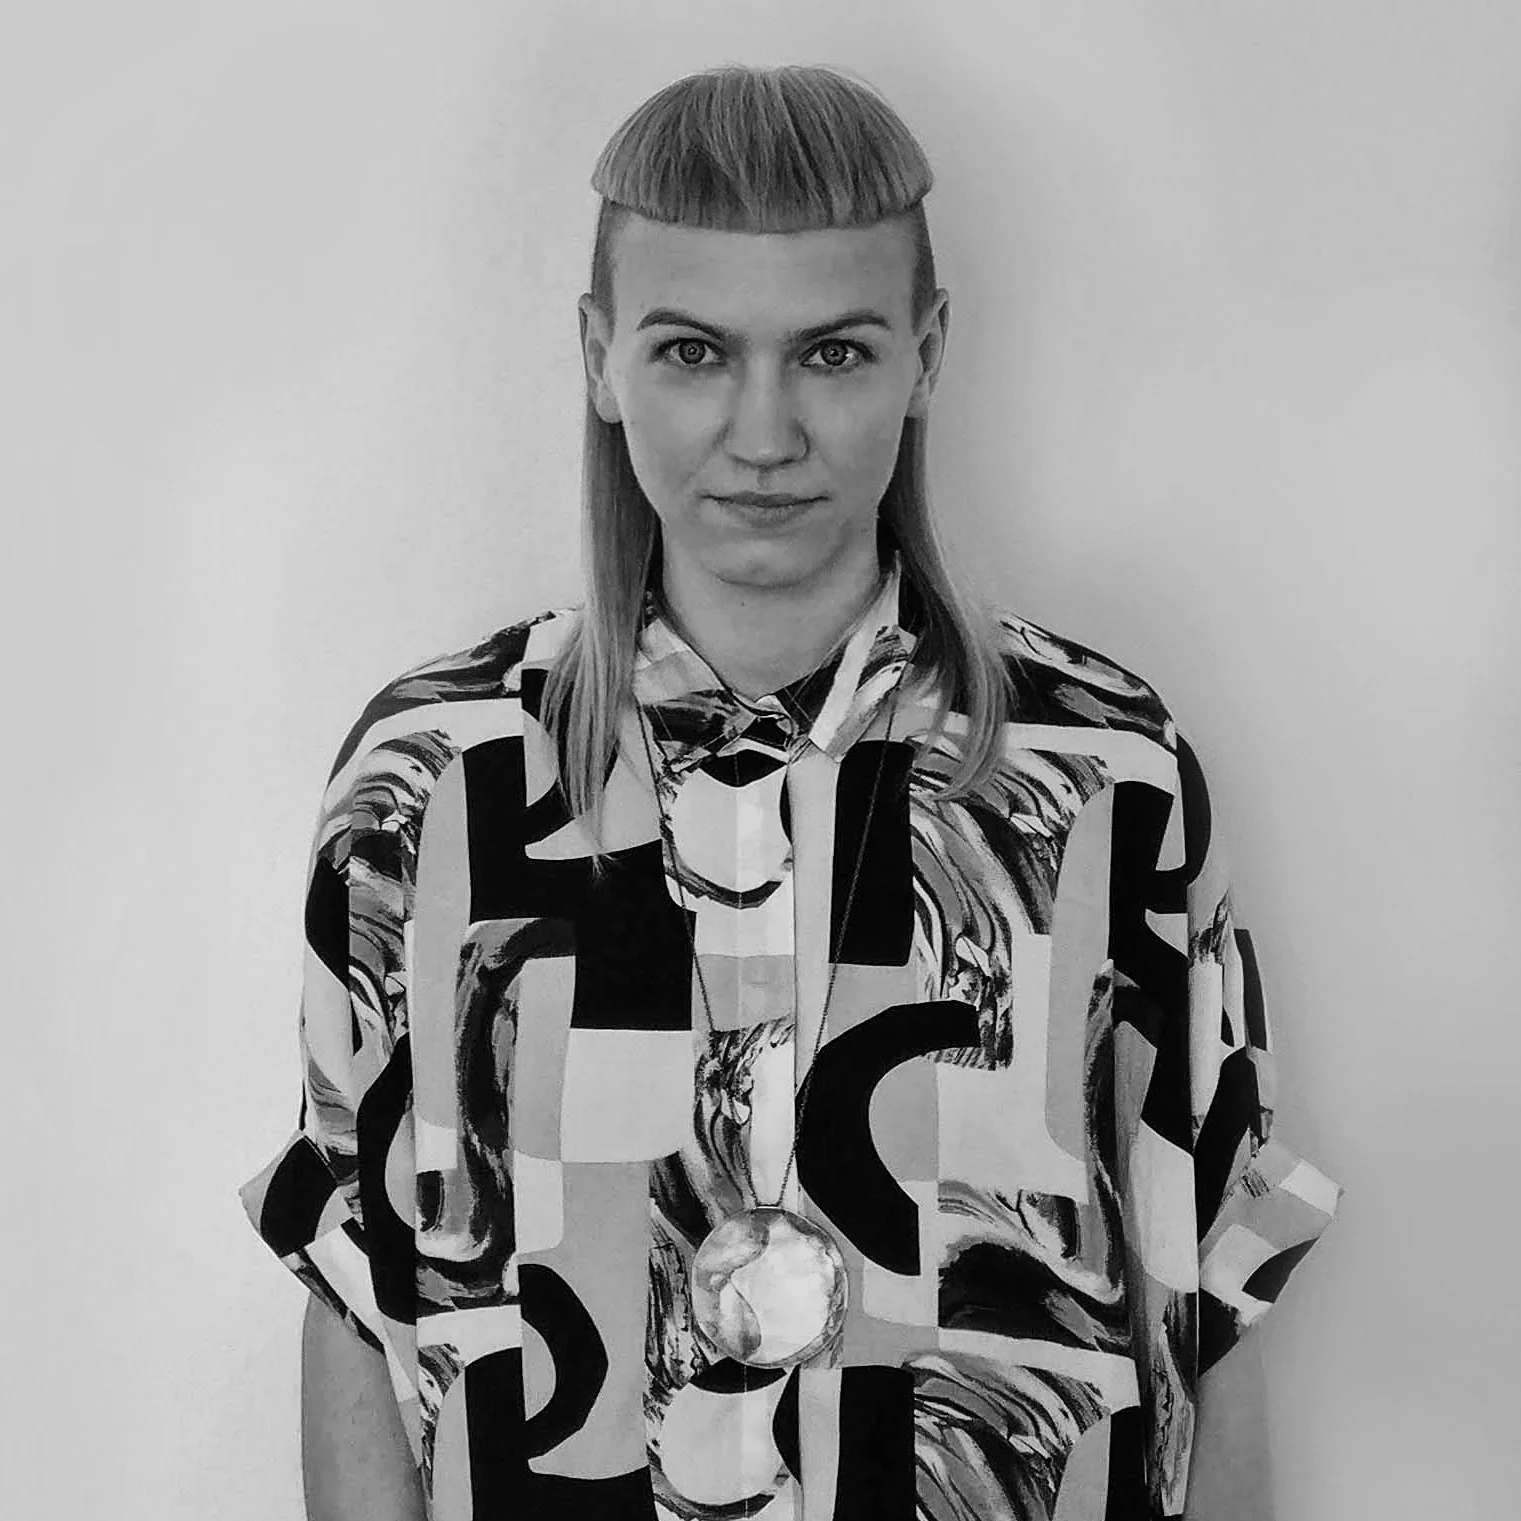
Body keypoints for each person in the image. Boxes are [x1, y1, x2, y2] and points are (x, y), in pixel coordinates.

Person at [239, 62, 1340, 1521]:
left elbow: (1207, 1306)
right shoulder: (429, 782)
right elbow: (359, 1301)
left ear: (927, 355)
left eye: (832, 354)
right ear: (599, 356)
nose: (764, 434)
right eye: (694, 352)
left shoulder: (1106, 780)